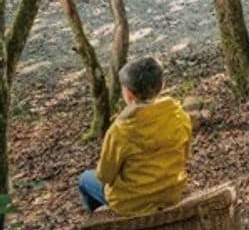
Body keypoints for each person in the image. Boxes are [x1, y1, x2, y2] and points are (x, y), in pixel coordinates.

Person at [77, 55, 192, 215]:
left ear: (129, 94)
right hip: (171, 193)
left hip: (131, 202)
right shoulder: (179, 115)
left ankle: (104, 226)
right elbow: (184, 155)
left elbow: (104, 176)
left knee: (85, 179)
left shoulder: (121, 130)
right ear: (162, 85)